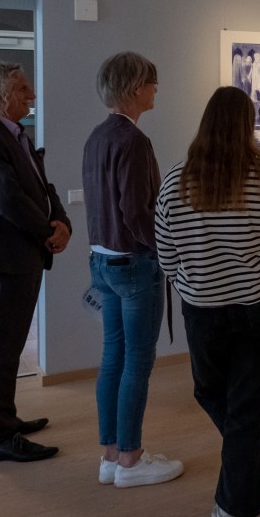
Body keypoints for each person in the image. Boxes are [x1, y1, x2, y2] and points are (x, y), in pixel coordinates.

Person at [155, 86, 260, 517]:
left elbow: (165, 256)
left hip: (203, 312)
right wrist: (258, 275)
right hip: (258, 308)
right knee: (247, 404)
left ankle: (230, 508)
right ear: (247, 127)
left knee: (214, 394)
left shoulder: (176, 181)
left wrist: (192, 283)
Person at [82, 52, 184, 488]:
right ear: (133, 88)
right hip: (133, 265)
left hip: (102, 262)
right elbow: (135, 211)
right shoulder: (134, 142)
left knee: (114, 358)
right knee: (137, 362)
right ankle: (130, 460)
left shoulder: (97, 137)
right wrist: (167, 248)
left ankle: (111, 455)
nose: (156, 89)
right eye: (151, 82)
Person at [0, 62, 71, 462]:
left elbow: (45, 188)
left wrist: (63, 222)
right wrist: (47, 230)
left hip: (24, 254)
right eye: (23, 89)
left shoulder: (17, 136)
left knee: (8, 343)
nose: (32, 95)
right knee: (2, 346)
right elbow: (7, 198)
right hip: (6, 255)